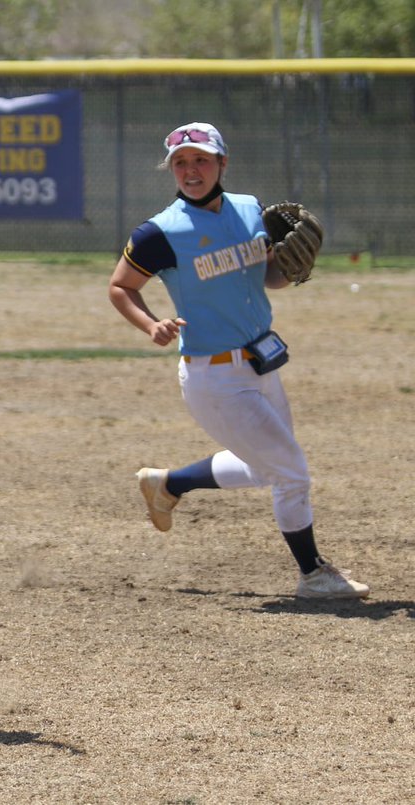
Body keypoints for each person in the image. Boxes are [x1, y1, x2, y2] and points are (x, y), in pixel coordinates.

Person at [107, 121, 369, 600]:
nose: (191, 170)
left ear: (222, 163)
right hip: (213, 375)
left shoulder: (251, 210)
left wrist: (292, 267)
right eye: (180, 163)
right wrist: (151, 325)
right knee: (291, 472)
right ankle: (313, 575)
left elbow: (268, 278)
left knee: (266, 466)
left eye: (201, 160)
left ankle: (169, 483)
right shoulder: (160, 232)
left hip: (261, 361)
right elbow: (121, 286)